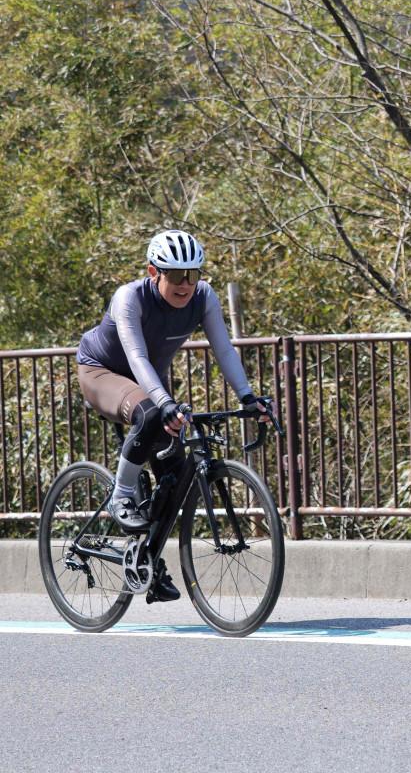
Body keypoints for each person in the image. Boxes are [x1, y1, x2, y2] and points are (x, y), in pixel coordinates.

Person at [76, 230, 271, 602]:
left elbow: (224, 351)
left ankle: (148, 560)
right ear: (154, 272)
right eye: (177, 276)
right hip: (102, 372)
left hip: (150, 382)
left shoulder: (203, 297)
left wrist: (247, 397)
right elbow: (136, 358)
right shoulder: (130, 297)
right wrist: (164, 402)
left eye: (193, 274)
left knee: (176, 471)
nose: (186, 284)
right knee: (151, 414)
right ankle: (121, 496)